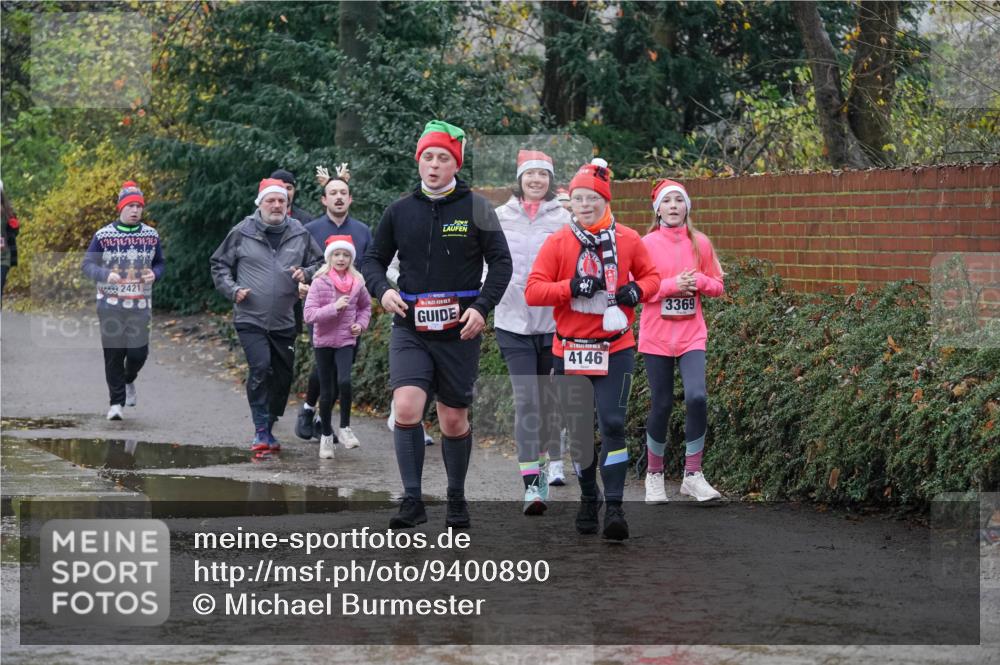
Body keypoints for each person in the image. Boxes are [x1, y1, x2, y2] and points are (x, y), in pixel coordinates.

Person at [361, 119, 512, 529]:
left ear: (455, 164)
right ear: (418, 162)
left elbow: (501, 263)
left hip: (459, 331)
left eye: (442, 158)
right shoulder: (399, 210)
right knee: (407, 408)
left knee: (452, 420)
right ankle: (412, 500)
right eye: (427, 157)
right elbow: (371, 259)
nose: (433, 165)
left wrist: (482, 308)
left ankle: (456, 498)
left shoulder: (477, 208)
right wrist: (382, 291)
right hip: (410, 326)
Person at [525, 158, 659, 541]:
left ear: (605, 200)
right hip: (570, 350)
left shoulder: (629, 239)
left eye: (591, 198)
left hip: (616, 347)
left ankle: (615, 505)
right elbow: (534, 291)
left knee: (614, 423)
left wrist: (638, 291)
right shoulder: (558, 242)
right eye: (577, 199)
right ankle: (589, 496)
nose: (584, 205)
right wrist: (570, 287)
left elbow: (652, 278)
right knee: (581, 431)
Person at [210, 178, 323, 454]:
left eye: (281, 200)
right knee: (261, 368)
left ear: (287, 205)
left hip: (285, 318)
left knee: (283, 377)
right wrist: (233, 289)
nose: (276, 205)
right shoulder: (242, 232)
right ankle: (261, 429)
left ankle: (269, 424)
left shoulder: (300, 233)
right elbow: (219, 264)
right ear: (260, 204)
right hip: (250, 317)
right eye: (270, 200)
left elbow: (321, 262)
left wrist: (306, 274)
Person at [494, 149, 571, 515]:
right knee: (527, 400)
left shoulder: (566, 219)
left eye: (543, 174)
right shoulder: (499, 217)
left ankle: (549, 464)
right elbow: (484, 261)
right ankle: (533, 486)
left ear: (550, 180)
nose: (536, 180)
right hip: (511, 322)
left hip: (554, 323)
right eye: (530, 174)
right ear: (520, 179)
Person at [639, 179, 725, 503]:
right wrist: (673, 284)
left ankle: (693, 475)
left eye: (679, 200)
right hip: (656, 336)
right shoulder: (646, 244)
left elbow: (718, 285)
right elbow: (639, 290)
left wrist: (699, 281)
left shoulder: (701, 243)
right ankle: (654, 475)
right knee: (661, 403)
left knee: (697, 397)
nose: (673, 206)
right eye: (667, 201)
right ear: (658, 209)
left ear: (687, 207)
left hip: (692, 335)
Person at [295, 165, 373, 442]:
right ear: (324, 200)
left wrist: (375, 295)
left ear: (350, 199)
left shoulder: (363, 231)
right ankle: (308, 411)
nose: (338, 197)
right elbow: (301, 265)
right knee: (323, 365)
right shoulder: (310, 230)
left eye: (343, 193)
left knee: (342, 370)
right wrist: (302, 282)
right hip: (321, 310)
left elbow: (371, 267)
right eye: (333, 193)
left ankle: (320, 419)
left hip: (351, 313)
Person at [81, 181, 165, 420]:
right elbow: (87, 264)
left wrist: (155, 274)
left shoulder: (151, 235)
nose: (135, 210)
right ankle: (116, 403)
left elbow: (160, 263)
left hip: (140, 304)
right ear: (121, 208)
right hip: (109, 305)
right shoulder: (104, 235)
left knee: (139, 353)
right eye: (131, 206)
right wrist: (106, 274)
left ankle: (129, 380)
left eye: (139, 205)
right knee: (114, 353)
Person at [304, 235, 371, 458]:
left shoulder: (357, 282)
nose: (341, 258)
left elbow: (365, 308)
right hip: (323, 342)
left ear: (351, 258)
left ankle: (344, 428)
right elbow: (309, 314)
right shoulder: (319, 281)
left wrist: (360, 326)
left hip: (345, 340)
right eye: (337, 254)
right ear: (329, 257)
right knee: (327, 391)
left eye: (345, 255)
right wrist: (334, 307)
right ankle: (325, 437)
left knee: (344, 381)